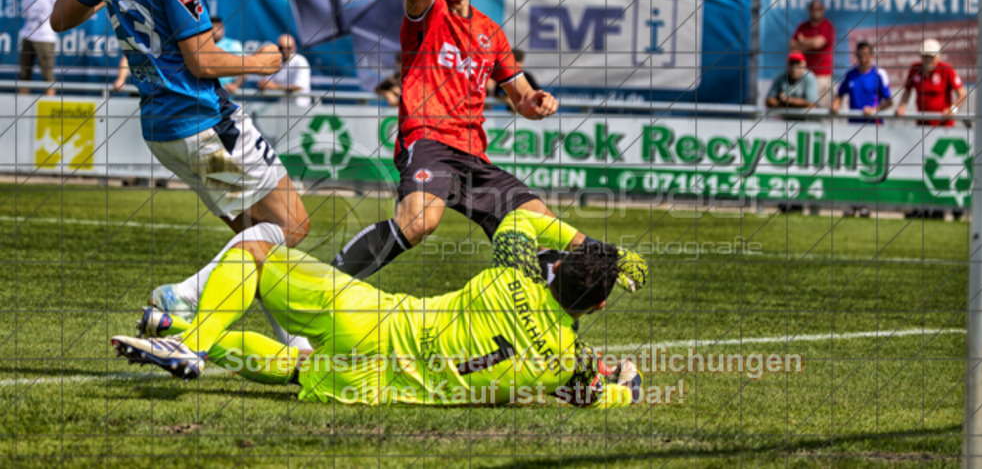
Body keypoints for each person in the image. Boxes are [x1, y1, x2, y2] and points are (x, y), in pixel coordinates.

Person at [48, 0, 311, 334]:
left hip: (164, 131)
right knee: (294, 225)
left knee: (255, 237)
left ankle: (291, 341)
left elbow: (61, 18)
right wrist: (259, 61)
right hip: (207, 123)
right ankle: (182, 296)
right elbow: (202, 58)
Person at [111, 210, 646, 407]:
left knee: (256, 249)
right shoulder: (560, 360)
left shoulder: (515, 274)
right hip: (379, 387)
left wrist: (598, 246)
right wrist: (629, 385)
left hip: (373, 318)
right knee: (296, 369)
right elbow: (590, 392)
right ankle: (174, 330)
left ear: (556, 268)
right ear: (597, 305)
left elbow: (518, 222)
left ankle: (187, 337)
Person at [331, 0, 574, 279]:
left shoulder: (492, 33)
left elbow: (521, 98)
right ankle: (324, 293)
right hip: (429, 141)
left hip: (474, 156)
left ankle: (551, 325)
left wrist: (536, 101)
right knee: (418, 222)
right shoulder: (429, 13)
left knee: (545, 228)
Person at [895, 38, 966, 127]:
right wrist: (902, 105)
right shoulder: (915, 69)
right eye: (925, 57)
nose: (928, 61)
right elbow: (907, 90)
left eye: (931, 57)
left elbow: (962, 95)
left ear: (938, 56)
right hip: (922, 124)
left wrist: (953, 110)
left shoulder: (947, 69)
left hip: (943, 125)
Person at [18, 0, 61, 96]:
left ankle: (49, 109)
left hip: (46, 39)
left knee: (47, 76)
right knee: (24, 74)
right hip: (28, 36)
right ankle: (22, 107)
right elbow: (26, 13)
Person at [790, 0, 835, 107]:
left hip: (821, 75)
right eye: (813, 9)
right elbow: (793, 46)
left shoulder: (827, 25)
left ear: (823, 10)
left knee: (819, 109)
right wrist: (811, 43)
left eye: (818, 9)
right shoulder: (803, 26)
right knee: (805, 108)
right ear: (809, 10)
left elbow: (818, 44)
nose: (816, 11)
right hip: (803, 75)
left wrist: (803, 42)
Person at [258, 34, 311, 108]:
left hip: (300, 107)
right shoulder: (276, 62)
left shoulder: (300, 61)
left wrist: (274, 87)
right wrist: (263, 85)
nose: (284, 51)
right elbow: (267, 83)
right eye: (281, 48)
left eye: (288, 48)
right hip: (283, 108)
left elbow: (298, 87)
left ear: (294, 48)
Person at [211, 16, 246, 94]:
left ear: (223, 29)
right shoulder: (202, 46)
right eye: (212, 27)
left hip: (226, 94)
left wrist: (235, 85)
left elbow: (246, 67)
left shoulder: (233, 45)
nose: (214, 30)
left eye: (218, 27)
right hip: (207, 92)